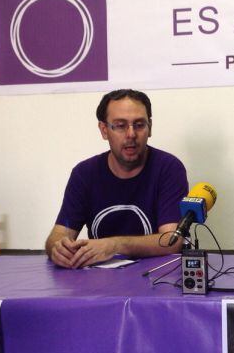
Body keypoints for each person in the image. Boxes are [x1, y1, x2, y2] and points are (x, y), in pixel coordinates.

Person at [46, 89, 189, 268]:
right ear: (104, 130)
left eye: (139, 125)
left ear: (150, 127)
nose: (131, 134)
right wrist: (58, 249)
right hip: (98, 284)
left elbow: (172, 241)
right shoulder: (84, 173)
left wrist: (115, 245)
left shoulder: (168, 168)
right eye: (120, 126)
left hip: (155, 279)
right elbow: (58, 235)